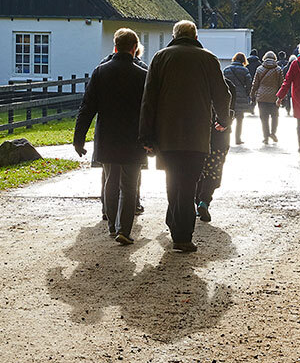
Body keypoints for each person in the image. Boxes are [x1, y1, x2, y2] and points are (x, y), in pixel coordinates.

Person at [139, 20, 231, 253]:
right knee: (189, 183)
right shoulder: (208, 59)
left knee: (172, 180)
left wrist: (146, 135)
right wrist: (224, 120)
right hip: (197, 135)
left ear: (174, 35)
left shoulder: (161, 57)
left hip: (166, 134)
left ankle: (174, 223)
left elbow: (149, 99)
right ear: (195, 36)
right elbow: (222, 94)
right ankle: (183, 235)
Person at [74, 28, 147, 246]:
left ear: (115, 46)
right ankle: (124, 229)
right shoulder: (143, 75)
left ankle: (112, 226)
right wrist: (152, 139)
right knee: (130, 184)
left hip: (107, 137)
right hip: (134, 139)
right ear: (135, 48)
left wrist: (79, 138)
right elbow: (150, 110)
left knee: (110, 180)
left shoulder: (100, 72)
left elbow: (87, 107)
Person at [97, 42, 148, 219]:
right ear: (135, 49)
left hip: (108, 132)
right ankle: (133, 205)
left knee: (109, 174)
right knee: (132, 176)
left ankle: (107, 210)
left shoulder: (102, 67)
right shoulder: (142, 69)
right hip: (133, 132)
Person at [195, 80, 236, 222]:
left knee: (198, 171)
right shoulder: (229, 86)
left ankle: (196, 204)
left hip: (199, 137)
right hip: (219, 139)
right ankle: (204, 202)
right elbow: (231, 111)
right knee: (213, 173)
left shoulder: (199, 85)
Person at [251, 51, 284, 144]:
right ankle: (273, 133)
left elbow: (255, 83)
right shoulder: (278, 70)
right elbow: (281, 84)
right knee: (274, 116)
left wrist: (252, 94)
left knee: (264, 118)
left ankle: (266, 137)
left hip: (262, 97)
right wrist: (281, 97)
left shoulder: (259, 69)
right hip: (274, 97)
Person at [223, 53, 253, 145]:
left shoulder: (226, 70)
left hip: (229, 97)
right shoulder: (245, 70)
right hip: (241, 97)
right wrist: (247, 94)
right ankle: (237, 139)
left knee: (228, 118)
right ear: (243, 60)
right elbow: (249, 84)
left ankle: (226, 138)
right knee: (240, 120)